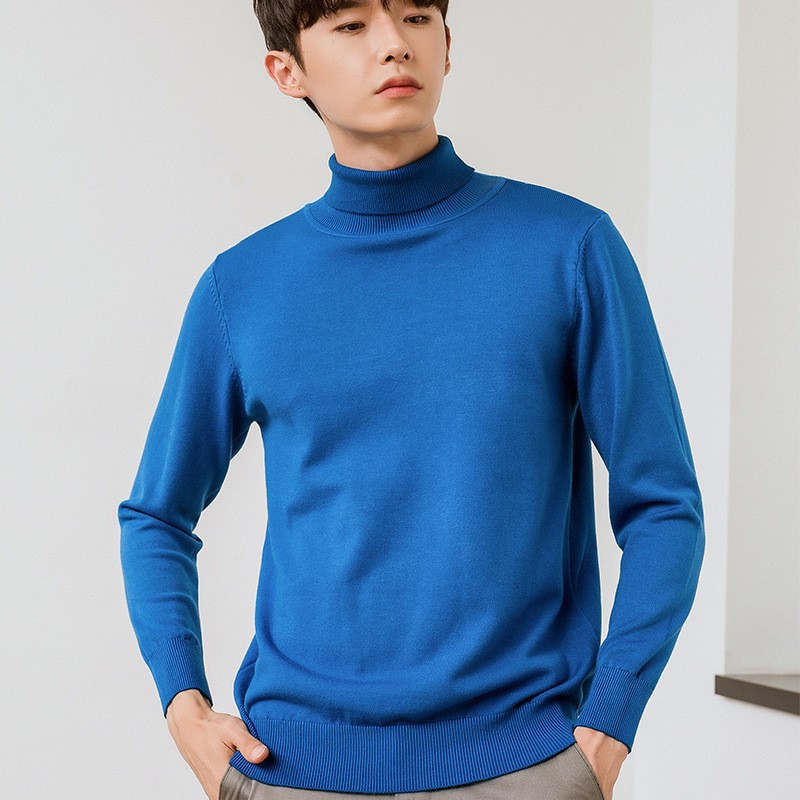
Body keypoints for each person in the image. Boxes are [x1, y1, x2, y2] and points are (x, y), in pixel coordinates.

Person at [117, 1, 706, 799]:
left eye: (417, 15)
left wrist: (608, 725)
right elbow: (156, 514)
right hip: (291, 771)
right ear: (287, 71)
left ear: (447, 45)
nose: (394, 44)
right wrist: (184, 707)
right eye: (351, 25)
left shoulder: (568, 248)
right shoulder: (243, 287)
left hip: (521, 766)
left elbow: (664, 503)